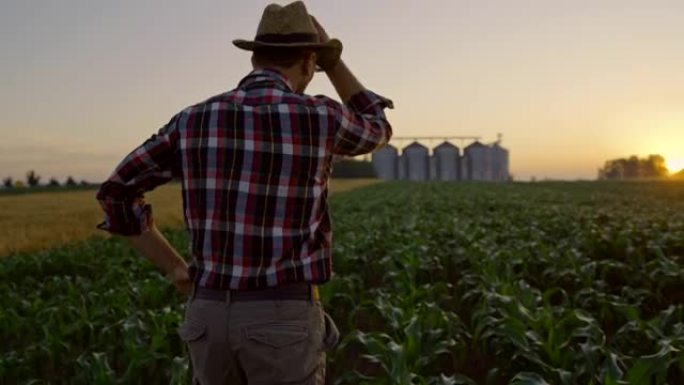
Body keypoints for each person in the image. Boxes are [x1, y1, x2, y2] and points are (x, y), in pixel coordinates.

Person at [95, 1, 392, 384]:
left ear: (254, 58)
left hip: (207, 315)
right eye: (314, 67)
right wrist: (334, 63)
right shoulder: (321, 117)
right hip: (282, 316)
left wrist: (176, 270)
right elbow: (377, 128)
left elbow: (117, 192)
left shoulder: (193, 119)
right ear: (308, 60)